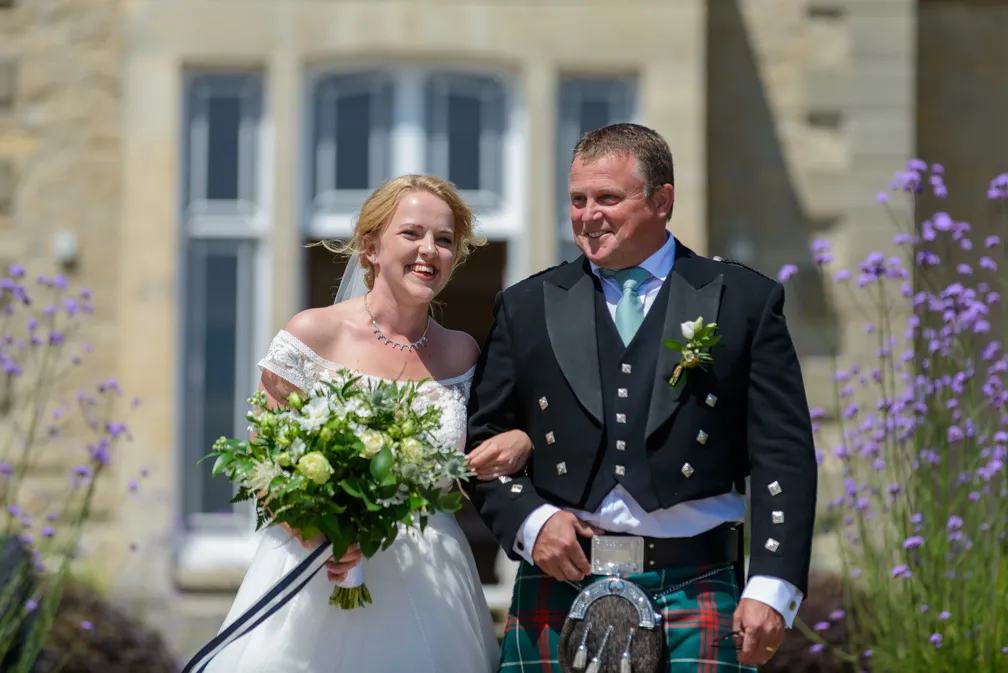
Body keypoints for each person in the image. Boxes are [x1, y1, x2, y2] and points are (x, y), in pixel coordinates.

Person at [465, 123, 818, 671]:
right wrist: (531, 523)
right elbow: (481, 441)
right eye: (577, 200)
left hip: (697, 582)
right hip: (560, 583)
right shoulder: (528, 305)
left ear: (662, 200)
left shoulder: (742, 300)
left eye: (607, 198)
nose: (588, 215)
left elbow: (783, 452)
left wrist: (772, 583)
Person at [204, 174, 534, 673]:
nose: (429, 250)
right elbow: (260, 465)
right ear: (371, 246)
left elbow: (478, 454)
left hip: (432, 582)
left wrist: (521, 439)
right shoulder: (313, 333)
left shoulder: (462, 352)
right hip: (319, 570)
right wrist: (321, 535)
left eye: (444, 240)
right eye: (412, 234)